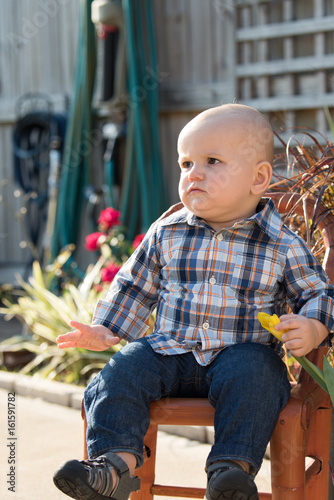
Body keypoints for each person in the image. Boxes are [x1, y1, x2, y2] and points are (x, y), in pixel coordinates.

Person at [53, 104, 334, 500]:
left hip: (242, 355)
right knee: (121, 370)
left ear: (259, 178)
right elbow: (135, 286)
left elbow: (317, 293)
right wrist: (106, 329)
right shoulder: (167, 231)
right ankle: (113, 468)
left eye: (212, 161)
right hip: (169, 351)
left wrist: (313, 325)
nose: (193, 174)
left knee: (260, 375)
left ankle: (229, 474)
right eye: (186, 163)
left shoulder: (282, 243)